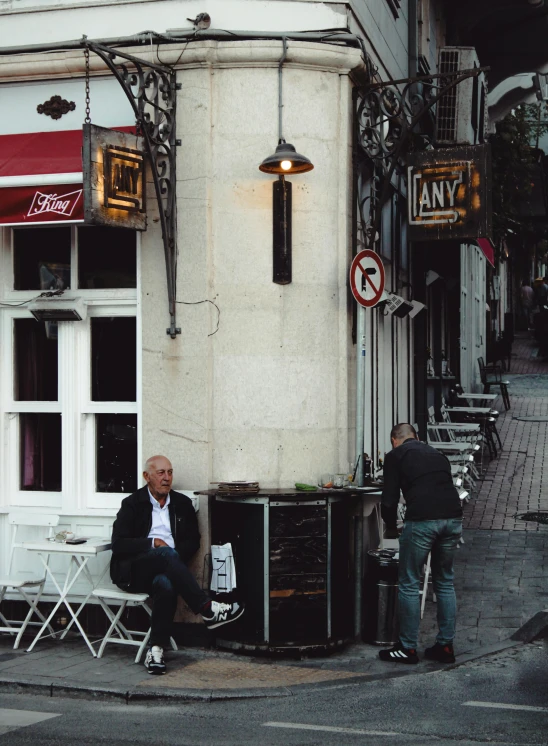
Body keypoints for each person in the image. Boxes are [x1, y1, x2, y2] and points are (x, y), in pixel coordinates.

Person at [110, 455, 244, 675]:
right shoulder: (132, 504)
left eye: (170, 472)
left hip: (168, 568)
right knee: (163, 553)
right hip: (134, 571)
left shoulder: (181, 504)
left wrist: (172, 559)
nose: (167, 478)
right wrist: (152, 543)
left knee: (165, 584)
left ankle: (155, 651)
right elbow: (118, 544)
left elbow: (193, 541)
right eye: (161, 473)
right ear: (147, 476)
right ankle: (207, 608)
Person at [378, 424, 463, 665]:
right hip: (453, 518)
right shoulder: (437, 454)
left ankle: (407, 648)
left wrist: (391, 528)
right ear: (417, 437)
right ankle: (445, 646)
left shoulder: (395, 456)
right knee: (444, 581)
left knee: (409, 582)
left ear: (395, 439)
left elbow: (388, 500)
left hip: (423, 521)